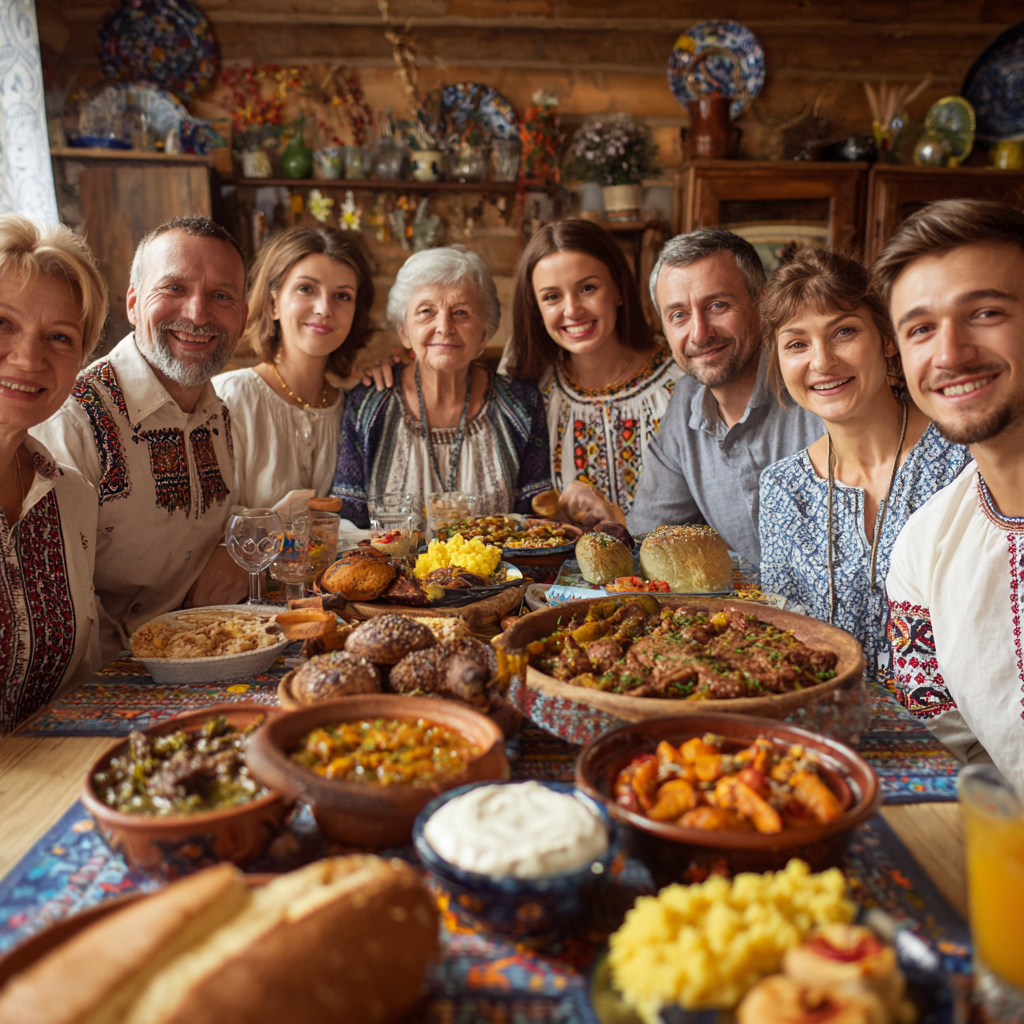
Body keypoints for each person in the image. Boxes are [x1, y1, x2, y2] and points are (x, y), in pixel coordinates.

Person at [33, 215, 248, 662]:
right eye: (173, 288)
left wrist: (232, 548)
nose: (197, 314)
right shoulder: (74, 416)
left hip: (203, 656)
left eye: (221, 296)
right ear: (133, 303)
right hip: (106, 678)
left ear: (242, 318)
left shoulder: (220, 416)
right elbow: (59, 609)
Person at [757, 247, 969, 679]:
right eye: (797, 343)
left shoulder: (965, 456)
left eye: (843, 332)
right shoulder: (782, 488)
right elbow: (782, 636)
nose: (821, 361)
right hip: (831, 726)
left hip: (963, 735)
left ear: (887, 339)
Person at [874, 198, 1024, 794]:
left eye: (985, 311)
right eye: (920, 329)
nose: (949, 353)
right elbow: (941, 744)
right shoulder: (922, 548)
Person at [615, 229, 822, 567]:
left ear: (763, 302)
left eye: (717, 305)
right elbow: (651, 540)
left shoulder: (817, 382)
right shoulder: (685, 403)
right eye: (679, 315)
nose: (700, 333)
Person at [332, 246, 550, 527]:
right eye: (426, 311)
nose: (444, 326)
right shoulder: (367, 405)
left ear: (484, 334)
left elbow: (535, 521)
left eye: (461, 312)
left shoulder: (522, 404)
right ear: (404, 332)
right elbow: (348, 524)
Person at [0, 215, 108, 732]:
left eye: (59, 337)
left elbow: (72, 688)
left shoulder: (73, 499)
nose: (27, 357)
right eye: (2, 323)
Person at [502, 219, 685, 519]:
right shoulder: (529, 385)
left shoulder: (681, 380)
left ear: (619, 290)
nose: (572, 309)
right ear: (535, 308)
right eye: (552, 297)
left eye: (587, 288)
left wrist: (621, 522)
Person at [214, 227, 375, 509]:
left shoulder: (356, 409)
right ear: (273, 303)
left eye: (342, 296)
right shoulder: (228, 400)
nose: (324, 308)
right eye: (306, 289)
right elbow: (209, 528)